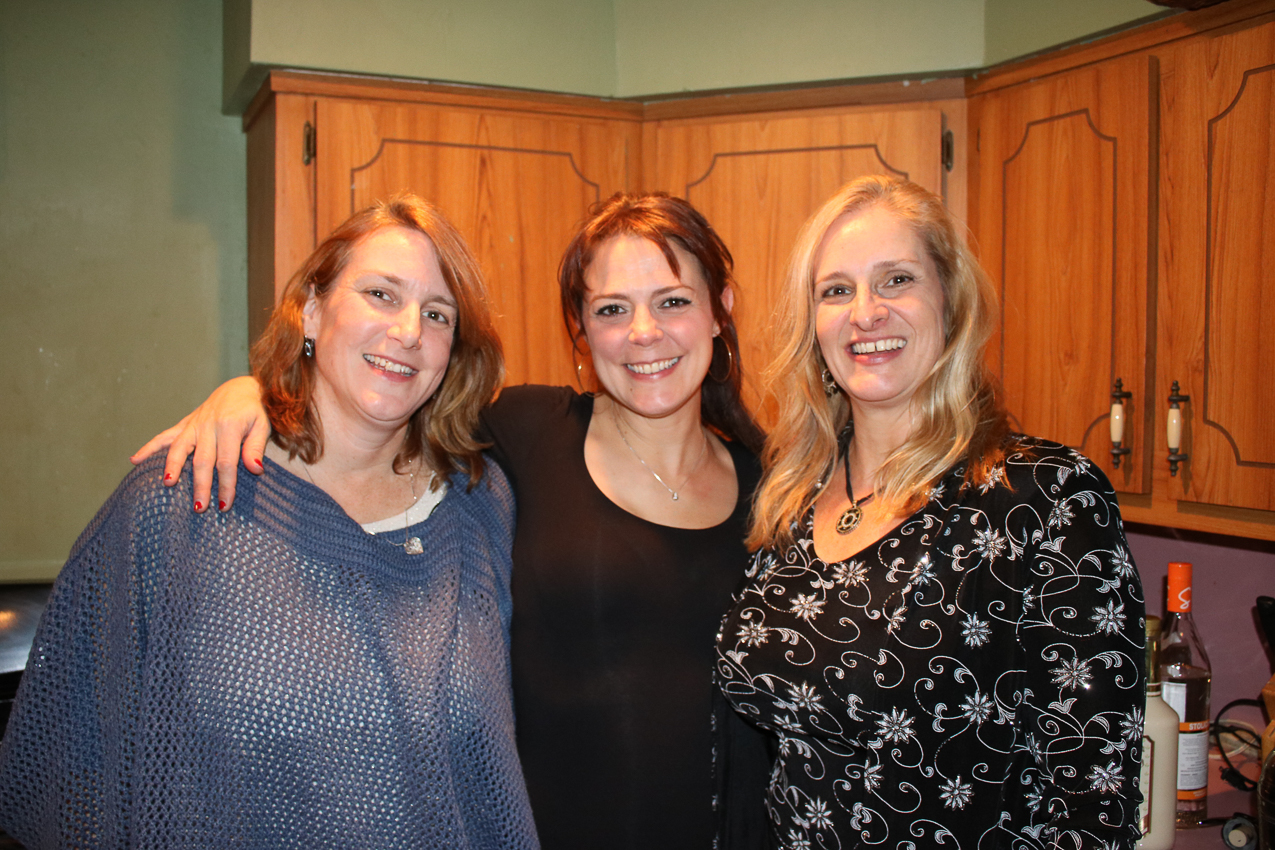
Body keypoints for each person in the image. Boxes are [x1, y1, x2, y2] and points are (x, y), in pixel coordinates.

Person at [130, 193, 770, 849]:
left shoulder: (773, 487)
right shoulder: (525, 434)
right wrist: (251, 396)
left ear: (719, 312)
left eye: (672, 301)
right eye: (611, 309)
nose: (643, 332)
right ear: (580, 332)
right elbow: (378, 421)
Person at [0, 195, 539, 849]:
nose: (408, 331)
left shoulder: (480, 505)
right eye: (380, 294)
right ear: (312, 310)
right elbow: (69, 760)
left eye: (436, 314)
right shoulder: (185, 496)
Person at [716, 175, 1145, 849]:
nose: (865, 313)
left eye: (895, 281)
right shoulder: (789, 497)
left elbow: (1092, 802)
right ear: (813, 325)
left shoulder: (1045, 499)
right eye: (836, 290)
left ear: (949, 303)